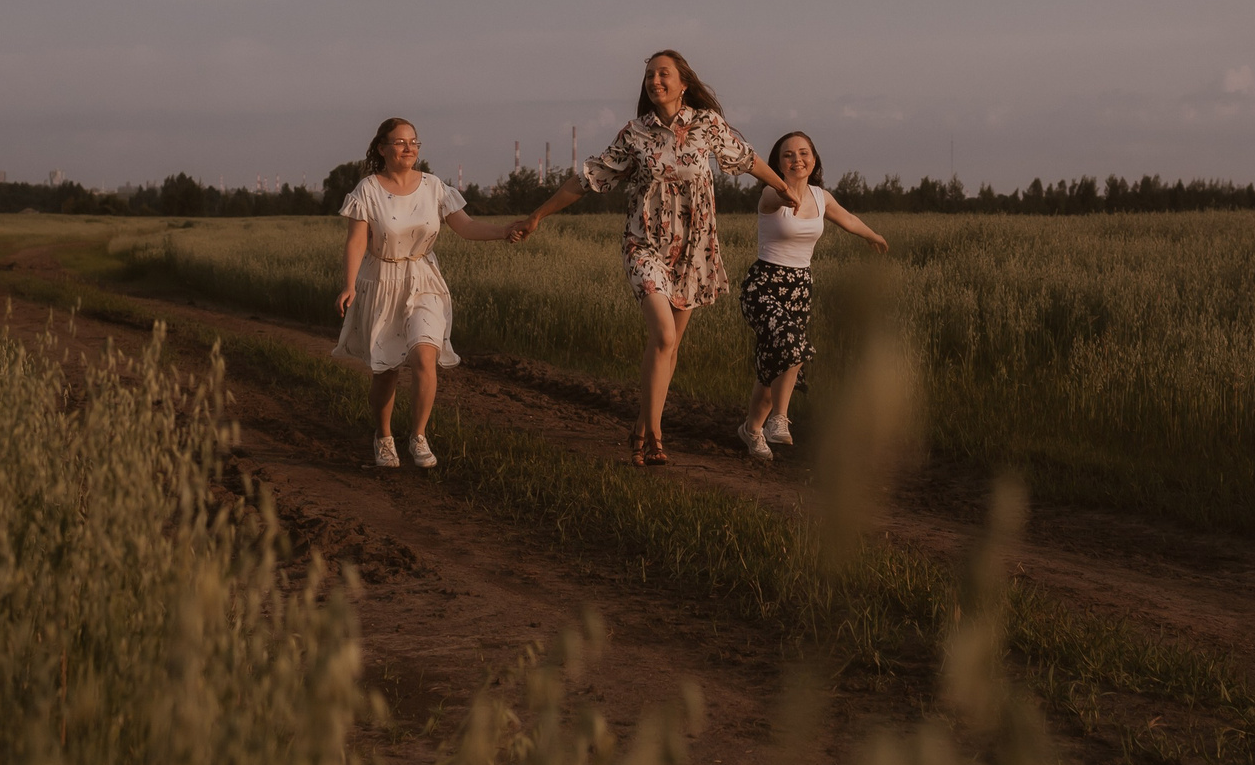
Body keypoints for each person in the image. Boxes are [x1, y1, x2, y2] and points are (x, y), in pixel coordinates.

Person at [513, 51, 801, 466]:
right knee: (664, 336)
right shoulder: (635, 134)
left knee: (670, 345)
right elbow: (586, 179)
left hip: (693, 250)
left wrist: (784, 187)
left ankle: (641, 425)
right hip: (644, 244)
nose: (654, 81)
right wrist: (537, 215)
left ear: (683, 82)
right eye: (649, 75)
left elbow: (747, 158)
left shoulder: (707, 125)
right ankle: (655, 434)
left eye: (663, 74)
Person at [334, 117, 522, 468]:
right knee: (386, 370)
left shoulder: (434, 186)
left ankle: (418, 436)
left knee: (425, 356)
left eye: (414, 142)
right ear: (382, 148)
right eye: (400, 142)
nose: (409, 148)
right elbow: (356, 241)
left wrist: (503, 231)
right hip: (382, 280)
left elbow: (465, 227)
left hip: (423, 278)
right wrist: (348, 284)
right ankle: (384, 436)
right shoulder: (368, 190)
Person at [735, 130, 887, 461]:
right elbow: (773, 201)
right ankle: (779, 420)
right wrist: (784, 194)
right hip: (764, 285)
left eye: (803, 153)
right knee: (794, 346)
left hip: (799, 289)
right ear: (777, 163)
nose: (797, 159)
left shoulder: (822, 197)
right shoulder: (769, 194)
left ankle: (752, 429)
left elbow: (846, 219)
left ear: (813, 159)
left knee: (772, 369)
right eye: (788, 155)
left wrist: (872, 235)